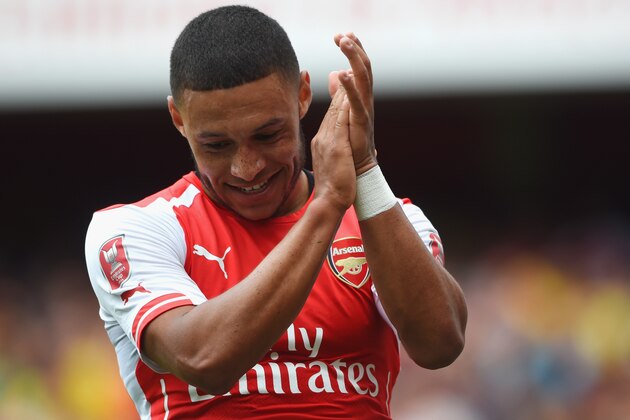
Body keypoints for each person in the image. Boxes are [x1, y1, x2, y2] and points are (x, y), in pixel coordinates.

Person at [84, 5, 467, 419]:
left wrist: (365, 174)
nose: (246, 168)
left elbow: (439, 345)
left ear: (303, 96)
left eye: (268, 135)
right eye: (216, 145)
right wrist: (327, 206)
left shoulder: (389, 221)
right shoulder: (134, 230)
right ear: (178, 117)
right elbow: (204, 361)